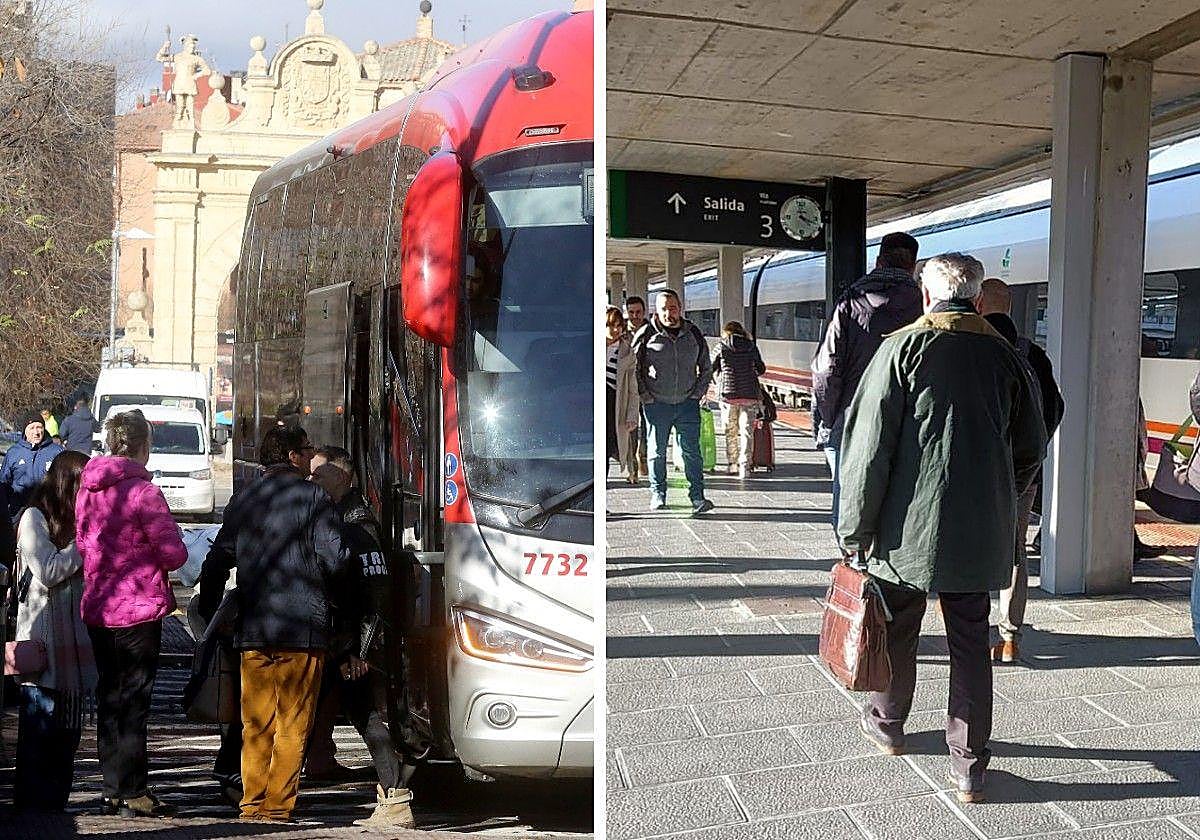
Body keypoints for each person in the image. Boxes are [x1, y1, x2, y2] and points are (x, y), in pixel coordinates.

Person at [837, 253, 1046, 804]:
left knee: (896, 627)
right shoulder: (1008, 358)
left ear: (925, 298)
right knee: (971, 641)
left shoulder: (899, 349)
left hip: (904, 530)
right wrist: (1000, 494)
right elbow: (1031, 446)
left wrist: (854, 532)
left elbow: (867, 453)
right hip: (980, 529)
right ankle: (969, 767)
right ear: (977, 301)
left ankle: (887, 724)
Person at [197, 425, 348, 823]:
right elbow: (336, 558)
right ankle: (278, 808)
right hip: (303, 628)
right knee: (292, 723)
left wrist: (211, 612)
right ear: (295, 457)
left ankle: (251, 804)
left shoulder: (244, 499)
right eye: (307, 450)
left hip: (254, 629)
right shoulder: (314, 497)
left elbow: (217, 560)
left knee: (255, 723)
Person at [76, 409, 188, 818]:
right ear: (143, 446)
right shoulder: (143, 493)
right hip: (138, 609)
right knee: (135, 701)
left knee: (109, 696)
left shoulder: (88, 489)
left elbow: (84, 545)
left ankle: (110, 787)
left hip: (100, 605)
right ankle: (135, 791)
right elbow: (174, 554)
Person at [308, 447, 418, 829]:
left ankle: (395, 795)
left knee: (365, 718)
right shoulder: (333, 518)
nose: (312, 481)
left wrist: (360, 650)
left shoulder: (358, 526)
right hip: (337, 640)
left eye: (319, 475)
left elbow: (375, 592)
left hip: (350, 643)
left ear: (342, 477)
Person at [811, 231, 923, 537]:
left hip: (851, 416)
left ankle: (853, 563)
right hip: (907, 420)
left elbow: (825, 369)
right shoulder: (925, 306)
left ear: (878, 260)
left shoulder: (851, 301)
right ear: (913, 266)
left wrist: (831, 417)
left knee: (848, 496)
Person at [975, 278, 1064, 663]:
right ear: (1009, 307)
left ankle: (972, 631)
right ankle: (1010, 637)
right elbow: (1055, 407)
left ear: (979, 304)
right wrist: (1034, 451)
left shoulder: (971, 348)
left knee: (971, 547)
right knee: (1015, 552)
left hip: (974, 471)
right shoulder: (1032, 353)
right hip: (1022, 472)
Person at [13, 450, 96, 812]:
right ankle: (32, 809)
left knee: (67, 733)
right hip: (42, 642)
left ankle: (54, 806)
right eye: (83, 483)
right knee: (39, 730)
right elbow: (47, 571)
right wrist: (84, 546)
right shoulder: (34, 518)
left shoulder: (78, 520)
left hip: (74, 646)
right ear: (67, 483)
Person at [633, 289, 714, 515]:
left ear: (680, 308)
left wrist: (697, 393)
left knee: (692, 452)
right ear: (656, 311)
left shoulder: (693, 333)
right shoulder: (646, 334)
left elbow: (706, 367)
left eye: (673, 308)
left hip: (687, 403)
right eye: (664, 309)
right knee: (657, 451)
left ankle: (697, 496)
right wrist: (645, 397)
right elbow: (634, 369)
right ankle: (658, 493)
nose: (669, 313)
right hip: (656, 404)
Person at [711, 321, 765, 479]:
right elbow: (761, 368)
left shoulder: (721, 346)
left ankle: (732, 464)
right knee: (747, 431)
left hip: (728, 395)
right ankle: (745, 467)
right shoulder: (750, 346)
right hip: (749, 394)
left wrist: (717, 379)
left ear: (725, 332)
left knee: (730, 431)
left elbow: (710, 366)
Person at [1, 411, 65, 521]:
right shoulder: (13, 453)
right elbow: (3, 485)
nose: (36, 432)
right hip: (19, 514)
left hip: (48, 514)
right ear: (25, 431)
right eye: (32, 428)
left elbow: (65, 483)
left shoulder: (57, 452)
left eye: (39, 427)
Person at [607, 306, 640, 483]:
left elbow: (632, 389)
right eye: (611, 325)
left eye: (619, 326)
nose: (615, 330)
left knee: (606, 449)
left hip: (614, 406)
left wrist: (632, 415)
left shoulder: (626, 352)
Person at [625, 296, 649, 477]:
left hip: (649, 388)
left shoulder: (653, 332)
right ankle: (632, 463)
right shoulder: (619, 332)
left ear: (644, 312)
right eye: (631, 312)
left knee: (649, 425)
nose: (635, 316)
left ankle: (644, 456)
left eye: (638, 312)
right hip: (628, 389)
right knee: (631, 426)